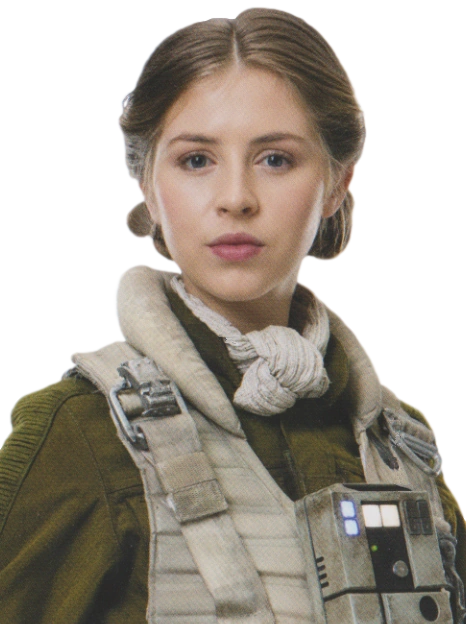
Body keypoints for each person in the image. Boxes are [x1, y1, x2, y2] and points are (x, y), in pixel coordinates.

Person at [1, 8, 464, 624]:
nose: (236, 198)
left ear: (337, 184)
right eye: (196, 160)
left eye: (276, 159)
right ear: (146, 183)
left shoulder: (406, 449)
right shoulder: (80, 436)